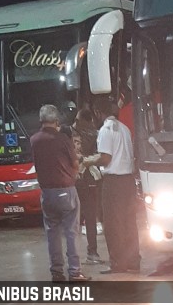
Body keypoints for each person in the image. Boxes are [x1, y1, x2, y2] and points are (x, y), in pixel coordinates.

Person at [30, 104, 91, 283]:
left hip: (46, 194)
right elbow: (74, 163)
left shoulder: (34, 140)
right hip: (66, 191)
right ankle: (74, 272)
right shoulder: (63, 139)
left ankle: (56, 273)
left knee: (52, 233)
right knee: (72, 232)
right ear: (56, 121)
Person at [84, 97, 140, 274]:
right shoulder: (124, 129)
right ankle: (133, 261)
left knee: (113, 224)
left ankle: (117, 263)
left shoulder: (105, 130)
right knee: (129, 222)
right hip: (128, 181)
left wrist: (87, 161)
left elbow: (105, 158)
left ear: (98, 113)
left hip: (114, 182)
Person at [72, 108, 104, 265]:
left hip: (79, 180)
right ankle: (91, 253)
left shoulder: (67, 134)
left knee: (79, 219)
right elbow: (100, 156)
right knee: (88, 218)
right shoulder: (96, 134)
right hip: (85, 180)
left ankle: (77, 255)